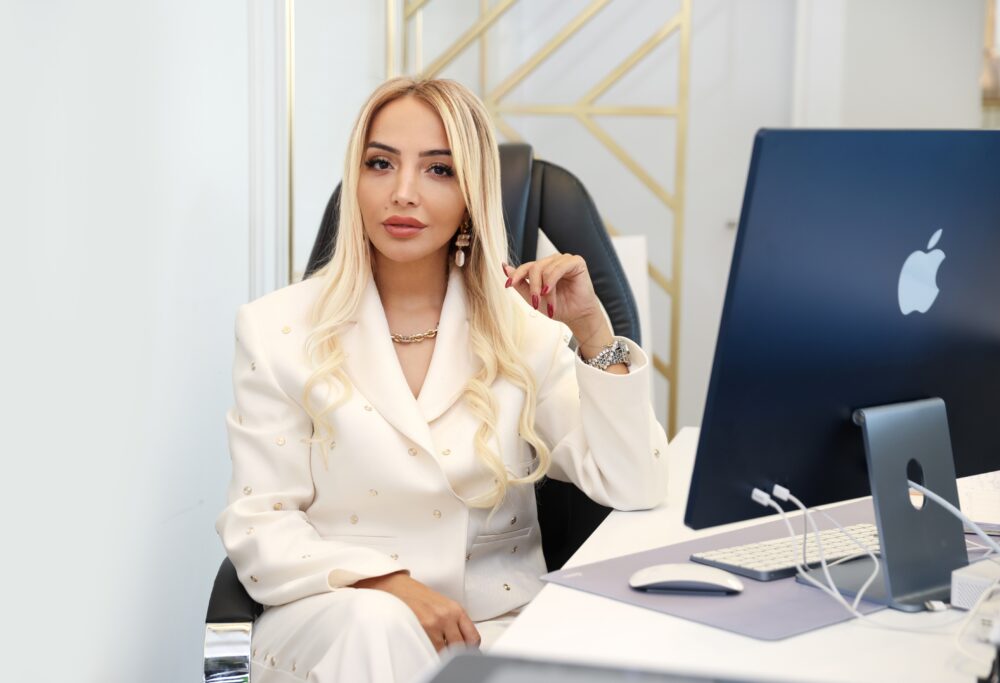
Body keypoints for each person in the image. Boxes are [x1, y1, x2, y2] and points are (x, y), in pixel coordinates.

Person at [215, 77, 669, 683]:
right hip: (337, 619)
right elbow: (258, 522)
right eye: (381, 164)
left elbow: (634, 482)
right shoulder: (277, 329)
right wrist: (387, 584)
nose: (402, 193)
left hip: (492, 628)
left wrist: (592, 331)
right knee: (376, 627)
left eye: (438, 170)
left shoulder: (522, 330)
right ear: (356, 179)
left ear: (471, 194)